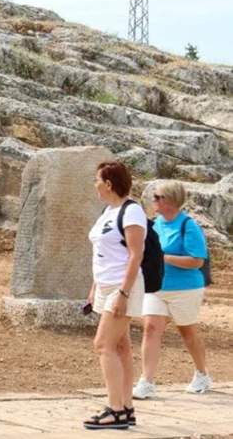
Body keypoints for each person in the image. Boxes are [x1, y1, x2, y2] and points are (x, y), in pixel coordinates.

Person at [132, 181, 211, 399]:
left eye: (158, 197)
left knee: (187, 332)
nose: (154, 201)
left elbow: (197, 261)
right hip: (156, 287)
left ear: (170, 201)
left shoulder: (188, 225)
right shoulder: (155, 224)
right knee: (150, 328)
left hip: (185, 289)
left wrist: (164, 258)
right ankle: (146, 381)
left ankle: (202, 373)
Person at [83, 161, 145, 430]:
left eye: (97, 180)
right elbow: (103, 252)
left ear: (108, 184)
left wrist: (123, 292)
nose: (94, 184)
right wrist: (95, 286)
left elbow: (135, 255)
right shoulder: (107, 211)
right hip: (106, 285)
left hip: (123, 286)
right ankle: (126, 407)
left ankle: (115, 410)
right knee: (121, 347)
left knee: (103, 344)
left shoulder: (132, 212)